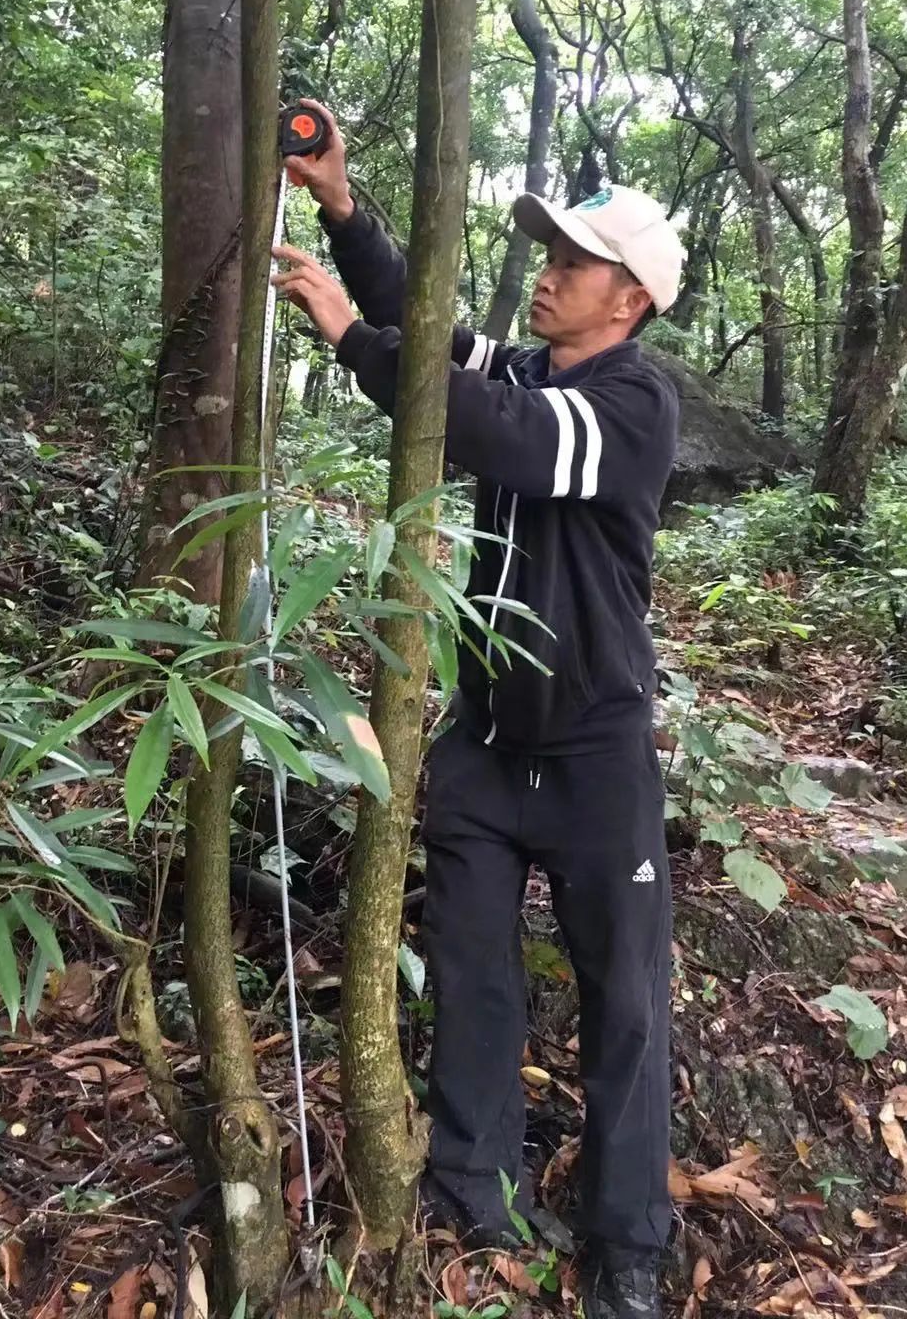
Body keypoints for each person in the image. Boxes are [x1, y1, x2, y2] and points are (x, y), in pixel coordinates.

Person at [272, 100, 683, 1319]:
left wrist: (352, 342)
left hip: (598, 750)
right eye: (548, 254)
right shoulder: (530, 366)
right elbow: (428, 331)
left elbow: (497, 433)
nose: (546, 275)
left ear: (629, 300)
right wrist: (343, 208)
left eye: (574, 263)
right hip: (489, 745)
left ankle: (627, 1246)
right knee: (471, 977)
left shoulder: (631, 405)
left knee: (625, 1005)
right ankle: (477, 1193)